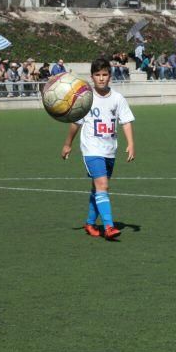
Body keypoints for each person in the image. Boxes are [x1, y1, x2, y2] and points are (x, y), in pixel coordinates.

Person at [61, 57, 135, 241]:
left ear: (110, 76)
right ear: (92, 77)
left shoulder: (118, 98)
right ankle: (109, 226)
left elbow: (125, 121)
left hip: (110, 149)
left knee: (98, 189)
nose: (101, 78)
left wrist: (131, 143)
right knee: (103, 185)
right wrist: (68, 143)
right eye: (97, 75)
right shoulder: (86, 99)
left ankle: (90, 223)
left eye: (105, 74)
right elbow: (75, 123)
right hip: (91, 149)